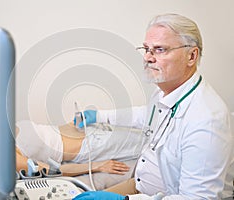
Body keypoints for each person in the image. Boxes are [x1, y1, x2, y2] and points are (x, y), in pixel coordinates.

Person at [73, 13, 234, 199]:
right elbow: (145, 115)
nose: (148, 57)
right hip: (141, 186)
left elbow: (196, 198)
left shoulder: (207, 121)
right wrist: (99, 116)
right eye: (146, 49)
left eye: (159, 50)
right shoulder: (166, 90)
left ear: (191, 55)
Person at [15, 120, 143, 177]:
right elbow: (55, 170)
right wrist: (96, 166)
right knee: (151, 142)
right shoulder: (10, 159)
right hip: (91, 147)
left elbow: (48, 134)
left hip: (88, 130)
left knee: (148, 133)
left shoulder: (3, 133)